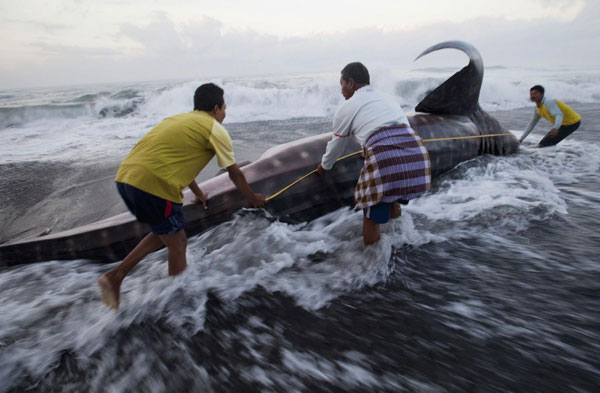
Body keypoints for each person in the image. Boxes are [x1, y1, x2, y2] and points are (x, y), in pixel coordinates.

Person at [98, 83, 265, 310]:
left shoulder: (178, 120)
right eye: (224, 109)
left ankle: (117, 276)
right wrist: (253, 197)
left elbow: (176, 160)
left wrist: (197, 193)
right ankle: (178, 304)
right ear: (216, 108)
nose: (225, 114)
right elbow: (234, 173)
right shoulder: (215, 129)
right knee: (178, 243)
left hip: (126, 180)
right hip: (153, 186)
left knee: (164, 231)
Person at [316, 62, 431, 246]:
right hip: (417, 154)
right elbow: (399, 128)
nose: (341, 91)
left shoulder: (346, 108)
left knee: (370, 213)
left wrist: (324, 167)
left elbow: (337, 144)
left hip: (385, 157)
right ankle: (398, 243)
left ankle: (373, 261)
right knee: (392, 197)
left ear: (351, 83)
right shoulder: (387, 98)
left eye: (342, 85)